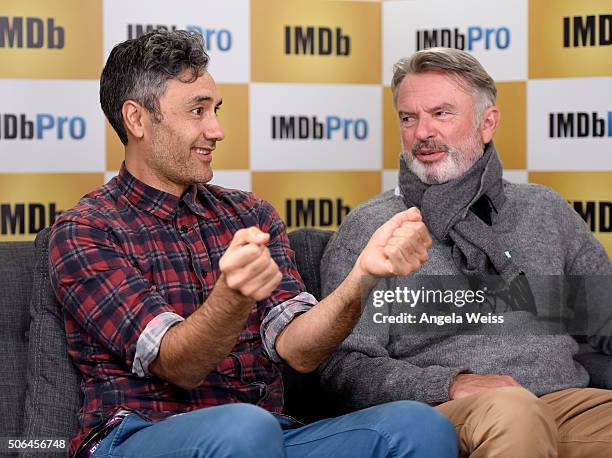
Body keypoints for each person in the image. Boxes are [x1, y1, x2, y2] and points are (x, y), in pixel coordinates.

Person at [48, 31, 458, 458]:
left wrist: (362, 278)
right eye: (197, 111)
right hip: (139, 436)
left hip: (266, 433)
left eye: (215, 110)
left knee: (418, 426)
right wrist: (233, 296)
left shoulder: (249, 214)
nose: (217, 130)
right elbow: (178, 365)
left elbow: (299, 350)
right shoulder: (86, 230)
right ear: (136, 119)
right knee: (245, 428)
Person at [320, 47, 612, 458]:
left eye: (441, 114)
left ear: (487, 123)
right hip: (449, 411)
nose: (422, 132)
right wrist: (450, 383)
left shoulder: (543, 210)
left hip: (564, 403)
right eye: (409, 118)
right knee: (516, 414)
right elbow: (342, 367)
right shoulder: (373, 229)